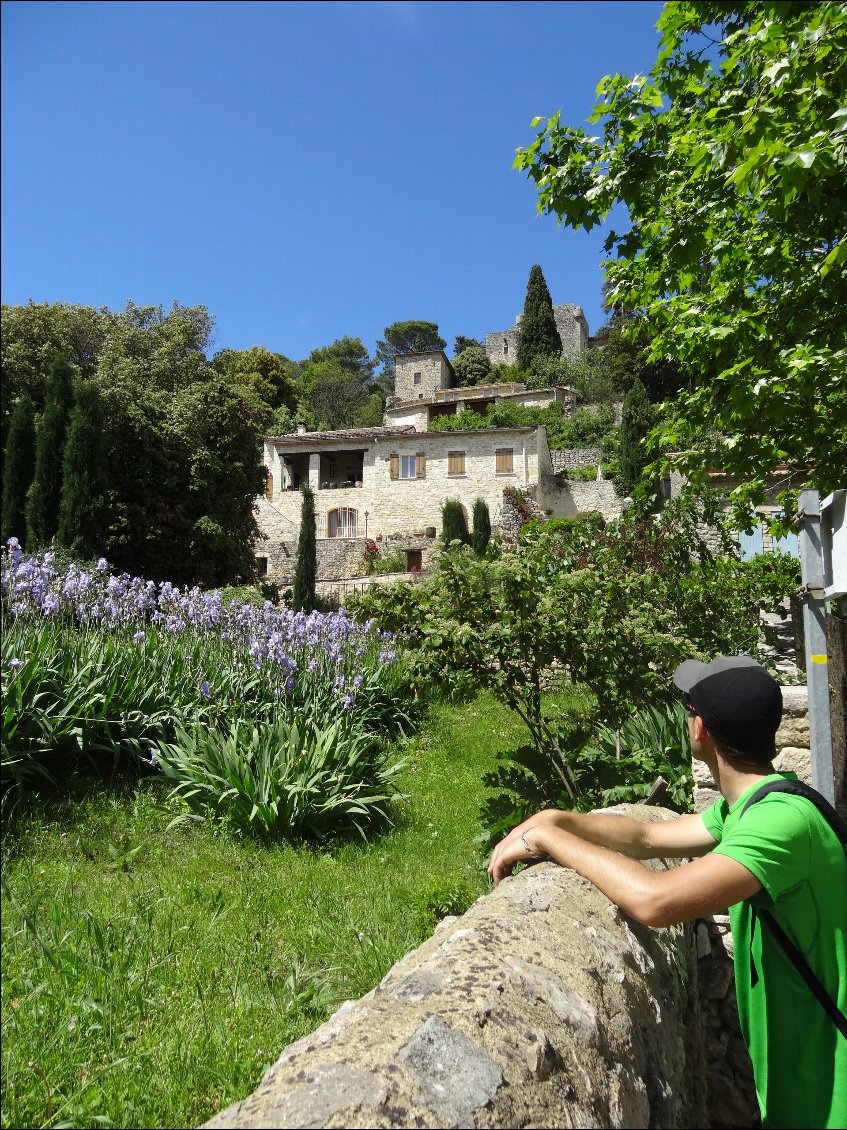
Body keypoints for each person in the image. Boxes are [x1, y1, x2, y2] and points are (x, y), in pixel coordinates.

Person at [488, 655, 846, 1130]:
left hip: (828, 1091)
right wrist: (559, 819)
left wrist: (550, 841)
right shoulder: (755, 806)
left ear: (700, 730)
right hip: (801, 1079)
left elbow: (655, 901)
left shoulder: (780, 824)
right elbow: (648, 837)